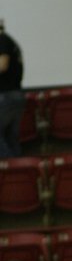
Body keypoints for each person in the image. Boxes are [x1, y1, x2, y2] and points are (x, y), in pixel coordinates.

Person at [0, 19, 25, 158]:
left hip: (5, 96)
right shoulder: (11, 41)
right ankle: (18, 175)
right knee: (11, 139)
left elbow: (3, 65)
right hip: (15, 95)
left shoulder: (1, 39)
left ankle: (8, 172)